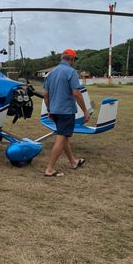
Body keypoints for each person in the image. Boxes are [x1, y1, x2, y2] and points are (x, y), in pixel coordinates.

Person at [43, 49, 90, 177]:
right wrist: (85, 111)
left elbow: (46, 94)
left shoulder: (51, 73)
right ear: (72, 59)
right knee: (61, 139)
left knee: (64, 138)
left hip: (55, 111)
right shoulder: (71, 72)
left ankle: (73, 162)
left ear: (62, 58)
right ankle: (50, 169)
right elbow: (76, 93)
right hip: (66, 112)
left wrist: (49, 109)